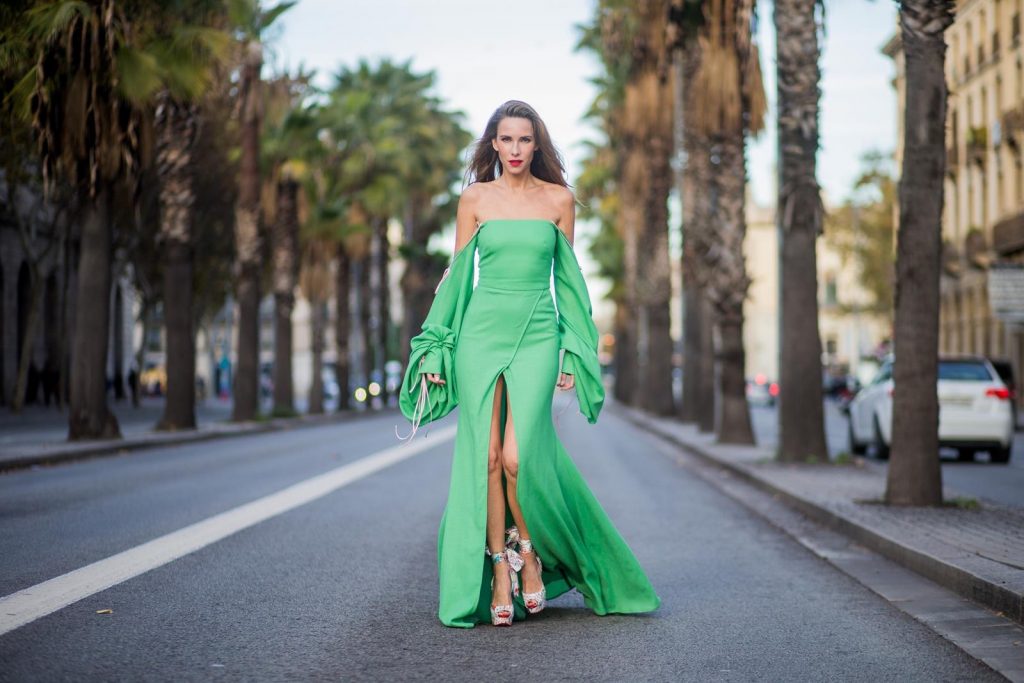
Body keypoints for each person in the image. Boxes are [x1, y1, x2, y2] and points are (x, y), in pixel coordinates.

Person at [399, 100, 660, 628]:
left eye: (524, 140)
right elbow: (455, 278)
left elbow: (569, 283)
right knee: (488, 458)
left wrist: (572, 347)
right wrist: (437, 346)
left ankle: (532, 552)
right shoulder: (474, 199)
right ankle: (501, 568)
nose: (515, 149)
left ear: (536, 145)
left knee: (520, 457)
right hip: (479, 332)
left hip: (538, 332)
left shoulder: (559, 201)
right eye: (506, 140)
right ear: (492, 145)